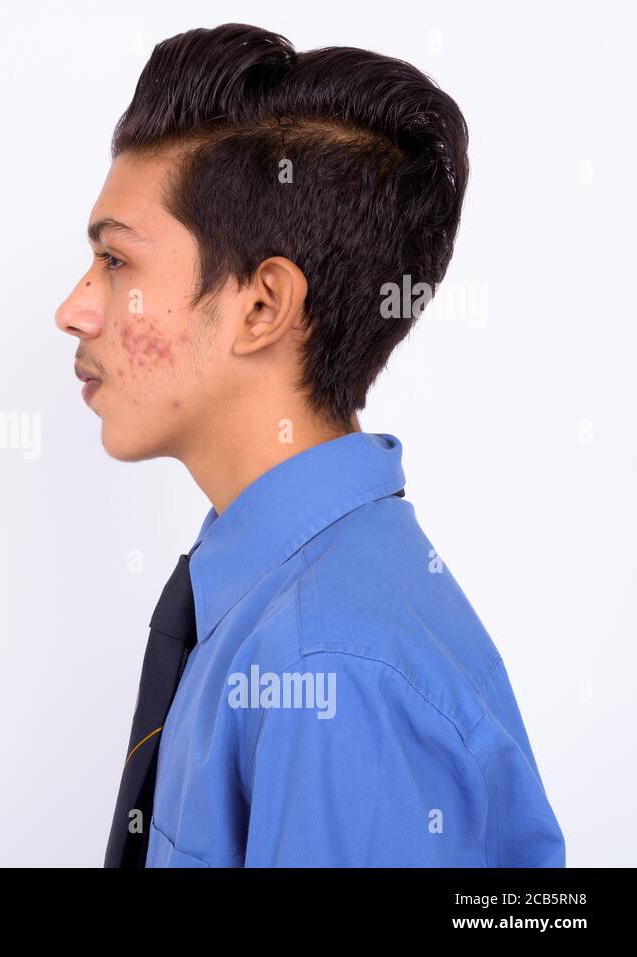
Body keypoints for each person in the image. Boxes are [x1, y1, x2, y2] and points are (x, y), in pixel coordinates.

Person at [55, 23, 565, 867]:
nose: (75, 308)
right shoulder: (271, 607)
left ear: (263, 306)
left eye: (115, 260)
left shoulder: (332, 670)